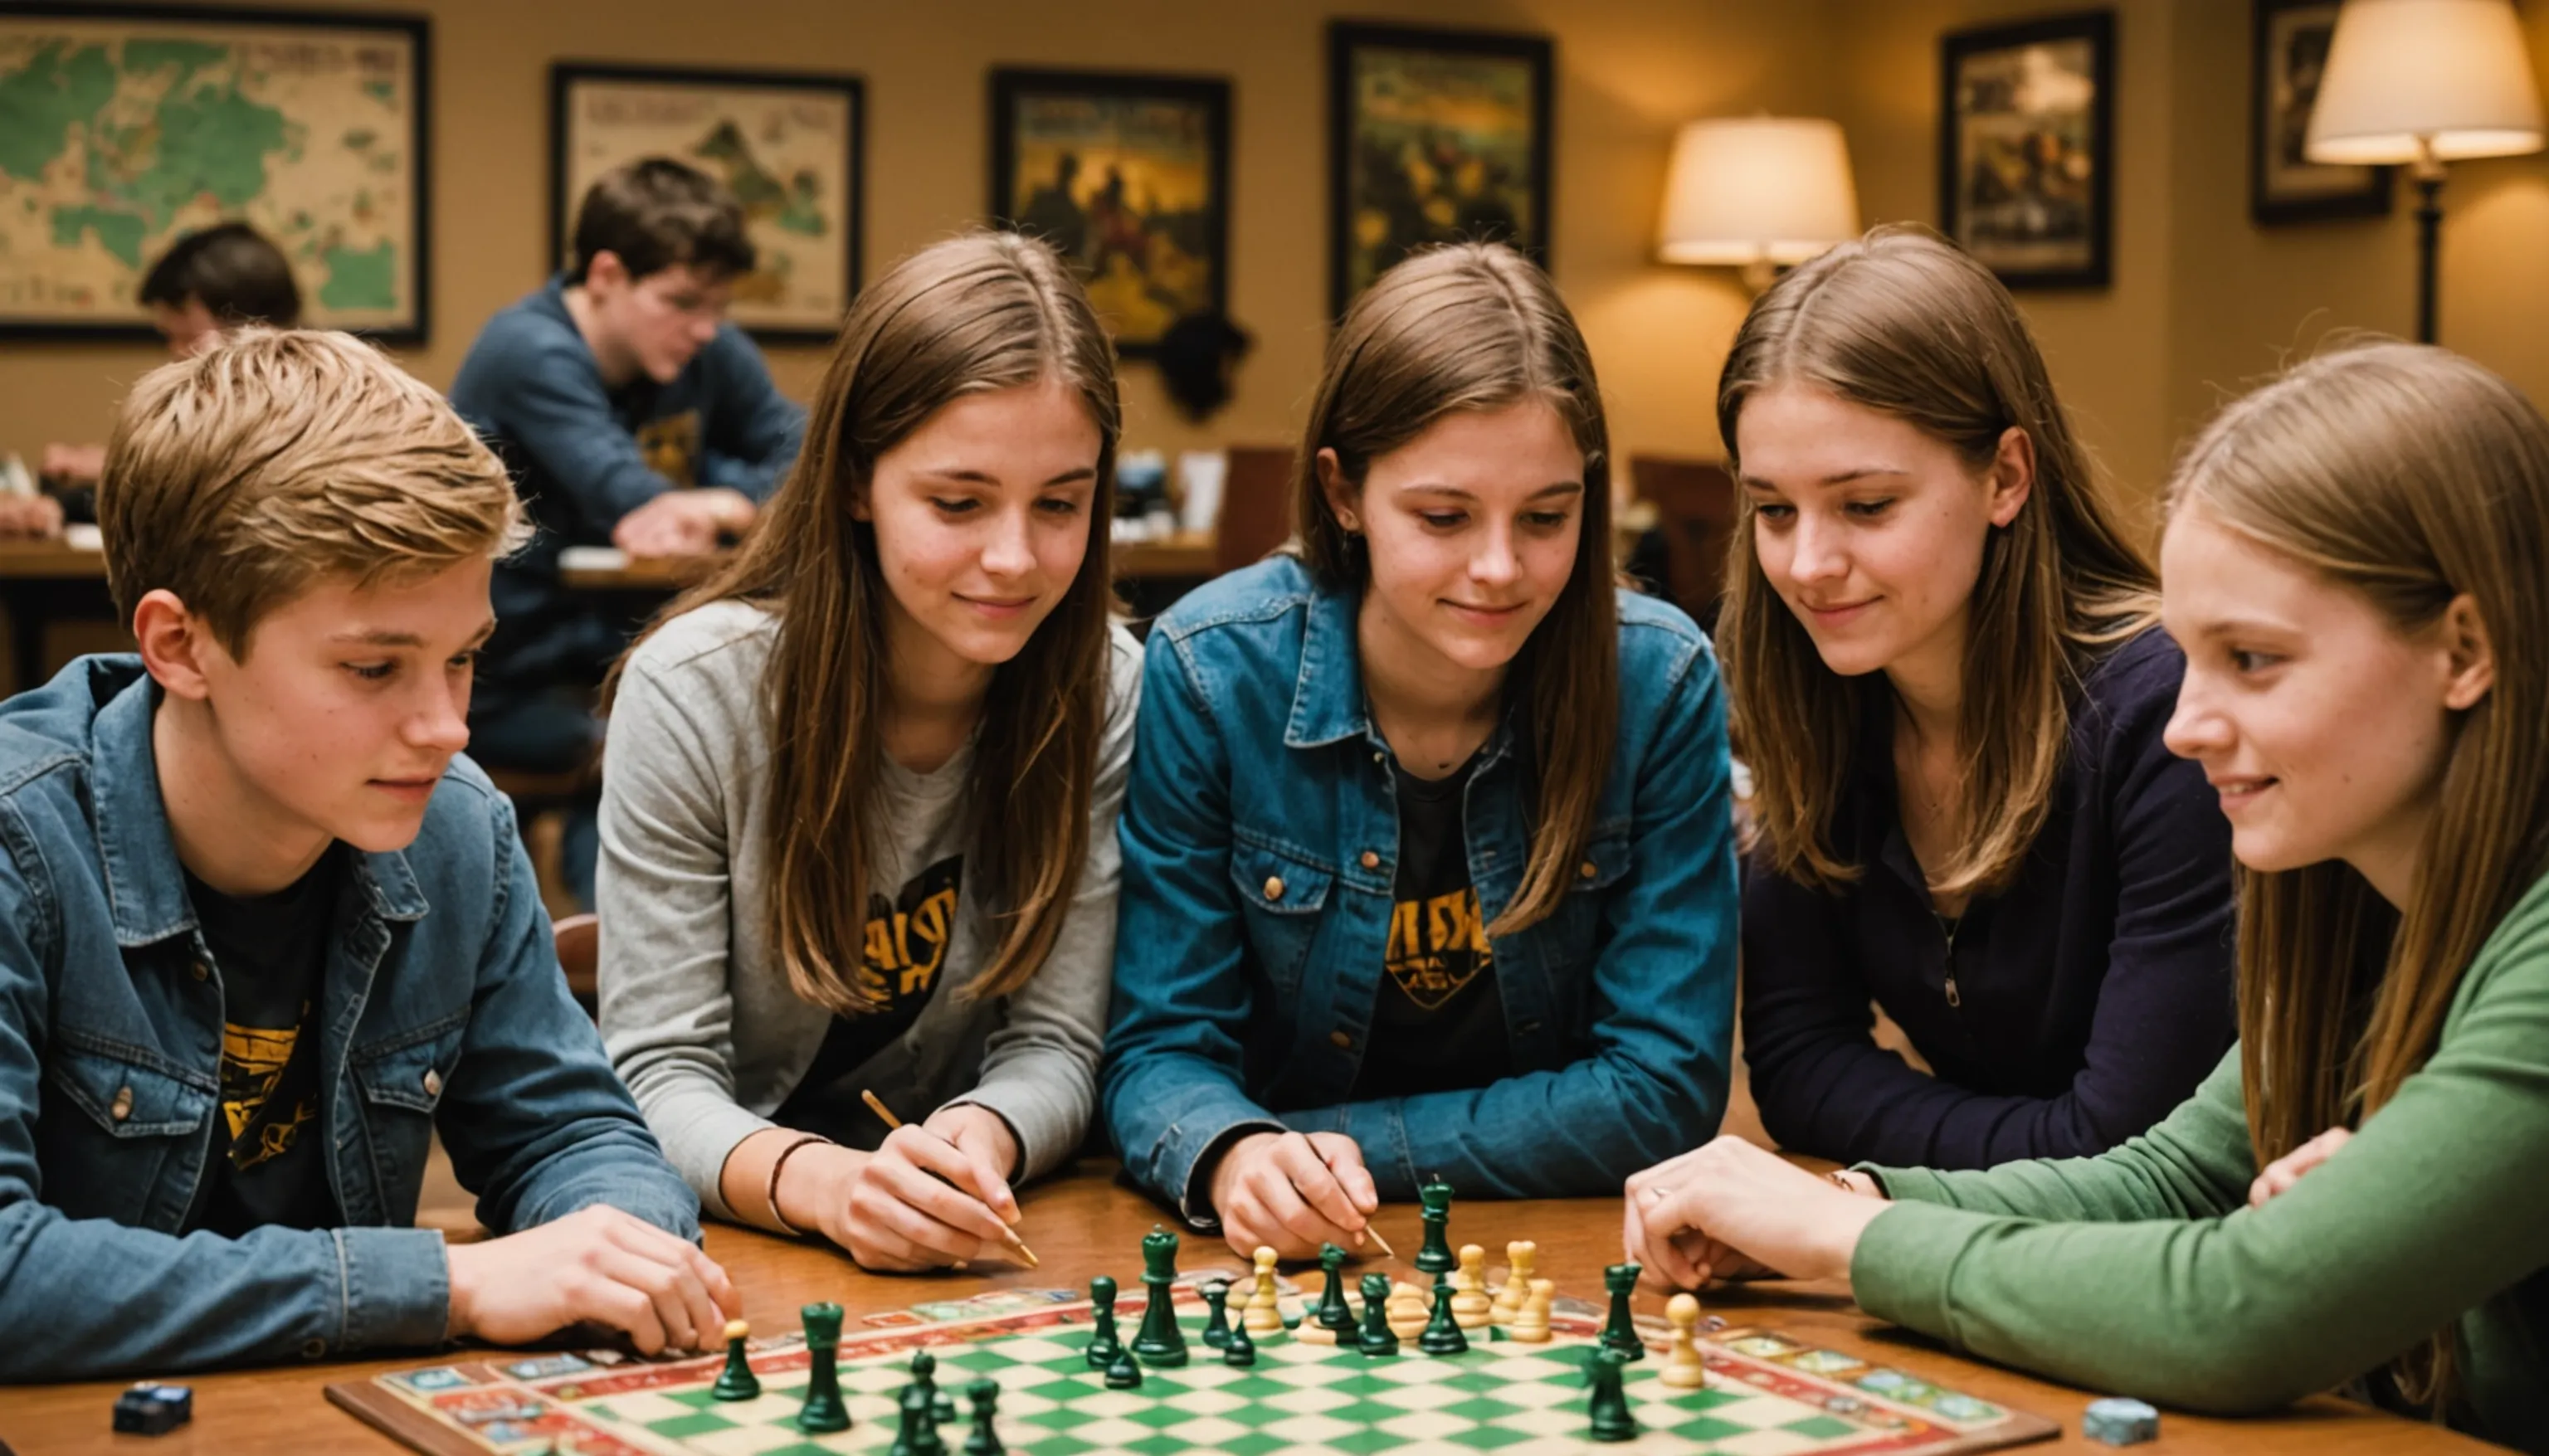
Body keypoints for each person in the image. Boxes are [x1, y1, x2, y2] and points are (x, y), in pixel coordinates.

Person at [1627, 343, 2549, 1448]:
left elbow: (2242, 1308)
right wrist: (1851, 1202)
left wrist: (1846, 1243)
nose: (2183, 724)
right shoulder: (2343, 887)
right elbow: (2169, 1173)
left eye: (2253, 659)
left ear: (2463, 649)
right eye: (2193, 656)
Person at [0, 329, 732, 1381]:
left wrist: (612, 1242)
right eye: (376, 666)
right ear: (180, 645)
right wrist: (451, 1283)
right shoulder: (22, 845)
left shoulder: (457, 826)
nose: (447, 729)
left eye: (464, 660)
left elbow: (573, 1134)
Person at [1104, 242, 1740, 1259]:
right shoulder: (1213, 670)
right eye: (1443, 517)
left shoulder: (1657, 683)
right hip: (1277, 1253)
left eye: (1547, 516)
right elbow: (1159, 1049)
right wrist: (1229, 1156)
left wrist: (1293, 1144)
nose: (1499, 569)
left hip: (1550, 1247)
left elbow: (1663, 1088)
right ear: (1345, 493)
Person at [599, 233, 1138, 1273]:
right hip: (739, 1243)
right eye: (958, 502)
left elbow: (1060, 1045)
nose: (1015, 557)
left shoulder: (1107, 684)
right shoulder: (692, 691)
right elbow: (657, 1078)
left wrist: (976, 1143)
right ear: (855, 483)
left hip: (984, 1235)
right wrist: (826, 1182)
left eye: (1061, 503)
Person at [1708, 227, 2235, 1170]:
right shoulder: (1816, 693)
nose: (1808, 565)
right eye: (1773, 510)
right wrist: (2036, 1147)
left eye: (1866, 505)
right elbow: (1793, 1066)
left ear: (2005, 477)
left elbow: (2131, 1145)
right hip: (2008, 1256)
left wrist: (1888, 1176)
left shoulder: (2170, 721)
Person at [449, 157, 806, 909]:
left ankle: (621, 959)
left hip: (615, 663)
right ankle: (615, 956)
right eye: (681, 301)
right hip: (502, 680)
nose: (705, 327)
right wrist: (713, 498)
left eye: (717, 305)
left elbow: (816, 459)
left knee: (719, 724)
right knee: (684, 743)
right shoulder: (528, 352)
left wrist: (727, 503)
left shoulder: (702, 349)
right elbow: (647, 512)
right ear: (606, 273)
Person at [16, 222, 305, 538]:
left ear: (248, 326)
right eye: (171, 339)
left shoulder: (298, 405)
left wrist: (111, 473)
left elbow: (206, 504)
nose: (178, 355)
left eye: (187, 337)